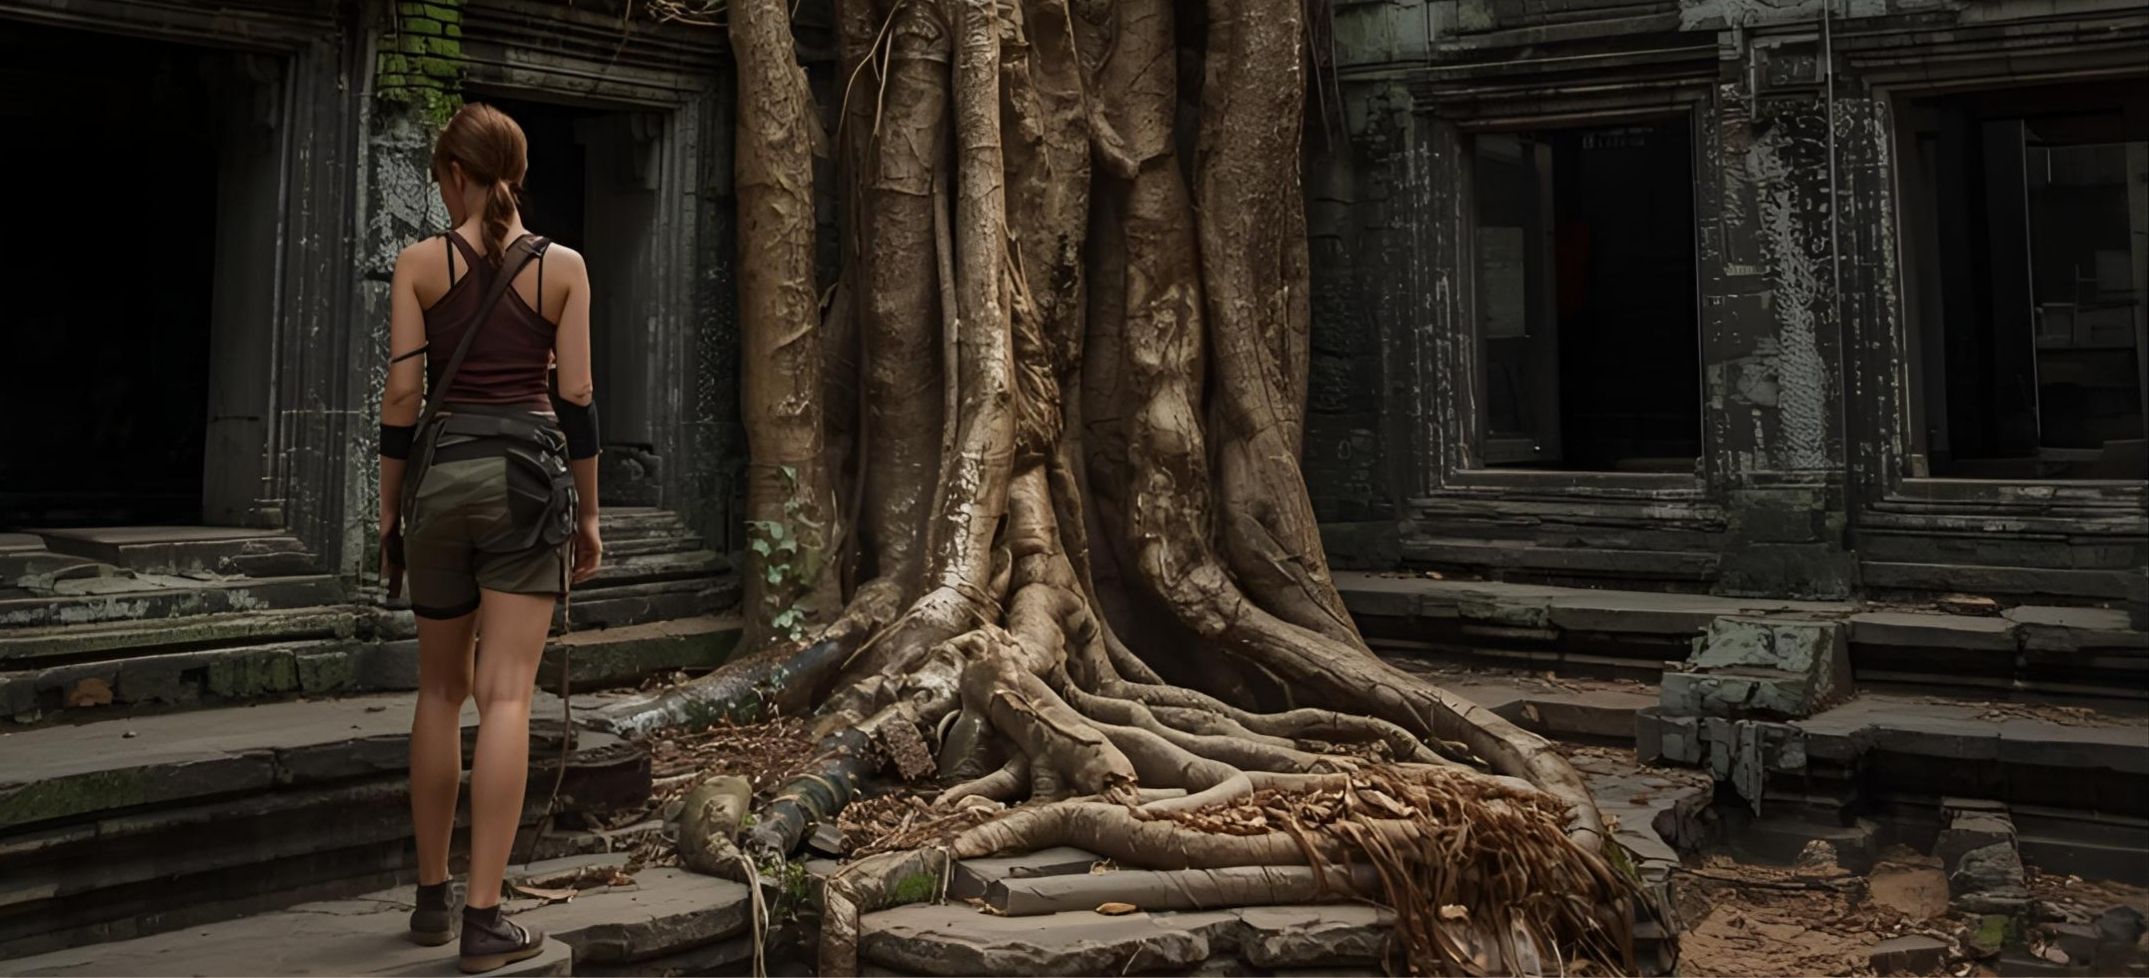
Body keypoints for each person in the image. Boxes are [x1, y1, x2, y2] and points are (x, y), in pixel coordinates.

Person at [376, 102, 603, 974]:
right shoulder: (564, 268)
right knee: (505, 696)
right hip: (525, 488)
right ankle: (484, 919)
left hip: (438, 483)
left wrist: (393, 514)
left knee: (439, 693)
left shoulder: (419, 263)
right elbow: (576, 398)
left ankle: (430, 899)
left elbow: (401, 402)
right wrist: (586, 514)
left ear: (453, 176)